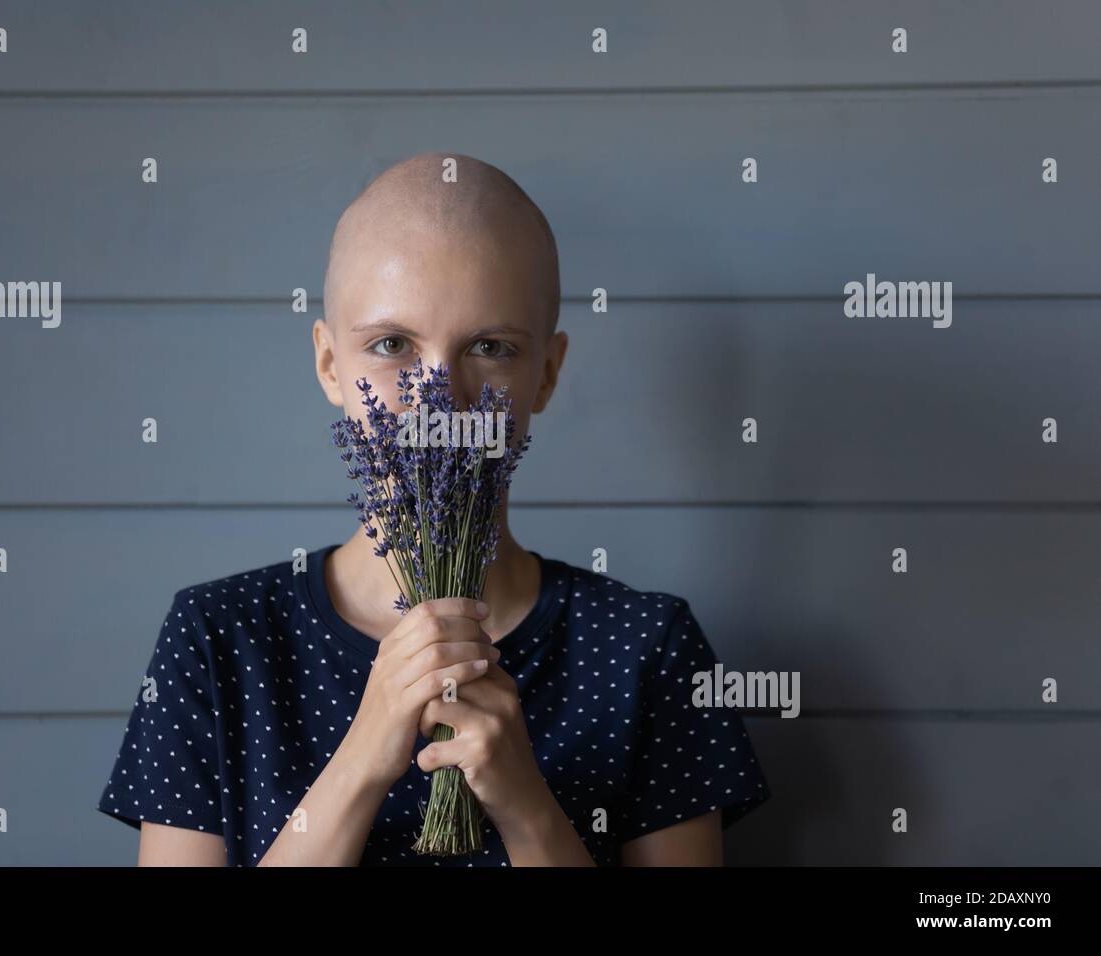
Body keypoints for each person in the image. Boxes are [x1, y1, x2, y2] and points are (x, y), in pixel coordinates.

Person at [96, 151, 771, 865]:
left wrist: (527, 808)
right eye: (391, 344)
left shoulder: (645, 651)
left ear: (546, 373)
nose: (438, 399)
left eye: (489, 346)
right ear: (330, 364)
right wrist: (364, 758)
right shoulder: (218, 642)